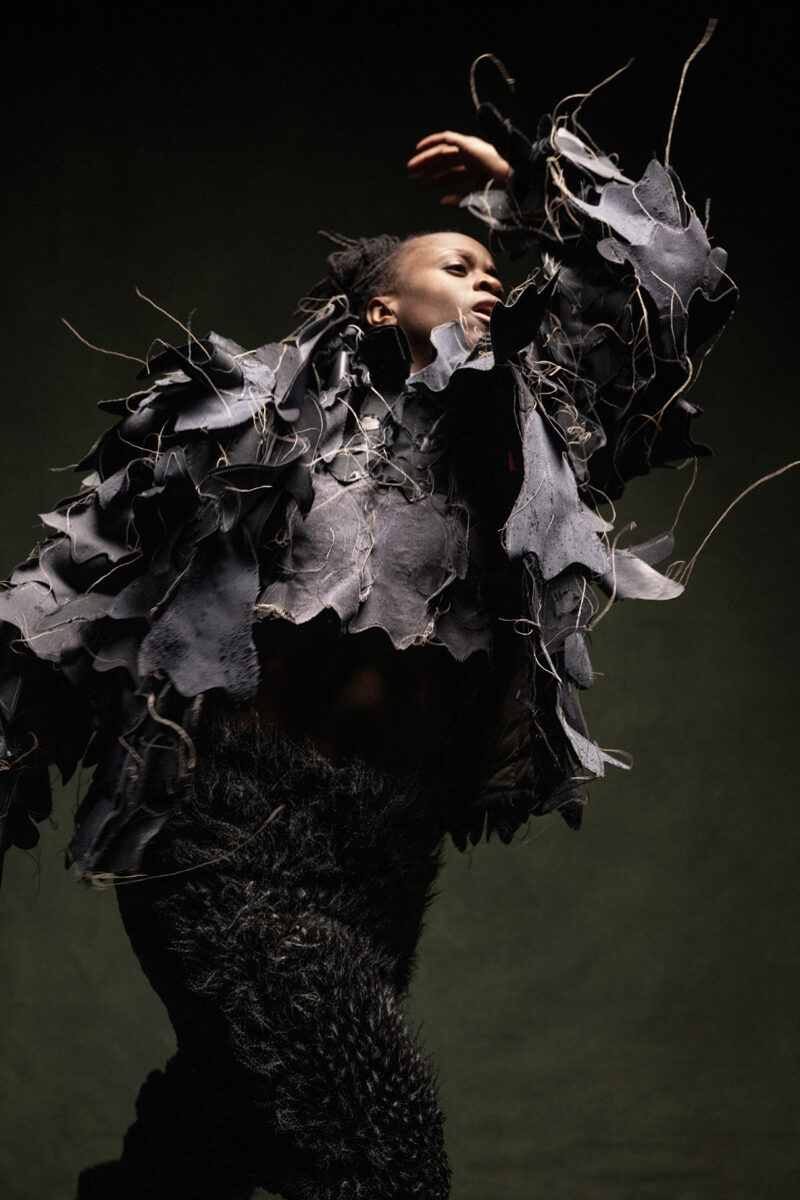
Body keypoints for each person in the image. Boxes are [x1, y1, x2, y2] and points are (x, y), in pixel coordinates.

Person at [0, 95, 735, 1199]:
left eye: (496, 272)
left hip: (384, 856)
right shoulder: (258, 421)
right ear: (379, 305)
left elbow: (674, 292)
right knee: (383, 1156)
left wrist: (527, 192)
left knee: (226, 1125)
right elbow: (81, 577)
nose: (487, 280)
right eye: (456, 264)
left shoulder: (534, 447)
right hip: (226, 831)